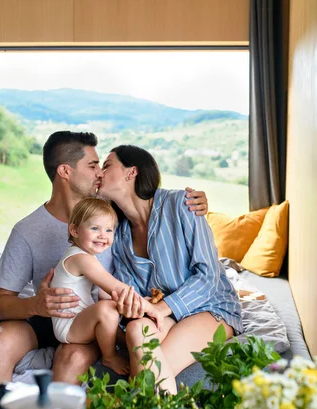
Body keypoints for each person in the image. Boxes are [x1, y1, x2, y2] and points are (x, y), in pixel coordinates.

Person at [0, 131, 208, 409]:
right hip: (48, 314)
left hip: (96, 319)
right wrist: (35, 305)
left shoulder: (113, 217)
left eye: (103, 165)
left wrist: (195, 203)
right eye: (93, 165)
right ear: (65, 171)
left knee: (71, 358)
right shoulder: (27, 230)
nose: (100, 173)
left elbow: (149, 207)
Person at [96, 144, 243, 394]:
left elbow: (209, 278)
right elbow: (133, 294)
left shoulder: (181, 204)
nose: (100, 172)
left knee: (147, 380)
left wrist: (159, 308)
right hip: (163, 316)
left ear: (132, 173)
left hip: (210, 307)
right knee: (135, 328)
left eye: (107, 165)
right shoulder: (118, 233)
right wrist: (134, 306)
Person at [50, 197, 164, 375]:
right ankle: (109, 357)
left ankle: (136, 347)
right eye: (95, 228)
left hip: (79, 320)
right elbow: (117, 289)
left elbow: (104, 293)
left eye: (109, 230)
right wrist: (152, 309)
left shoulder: (87, 257)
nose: (103, 235)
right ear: (74, 230)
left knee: (116, 315)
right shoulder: (80, 259)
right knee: (108, 310)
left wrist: (139, 302)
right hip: (69, 326)